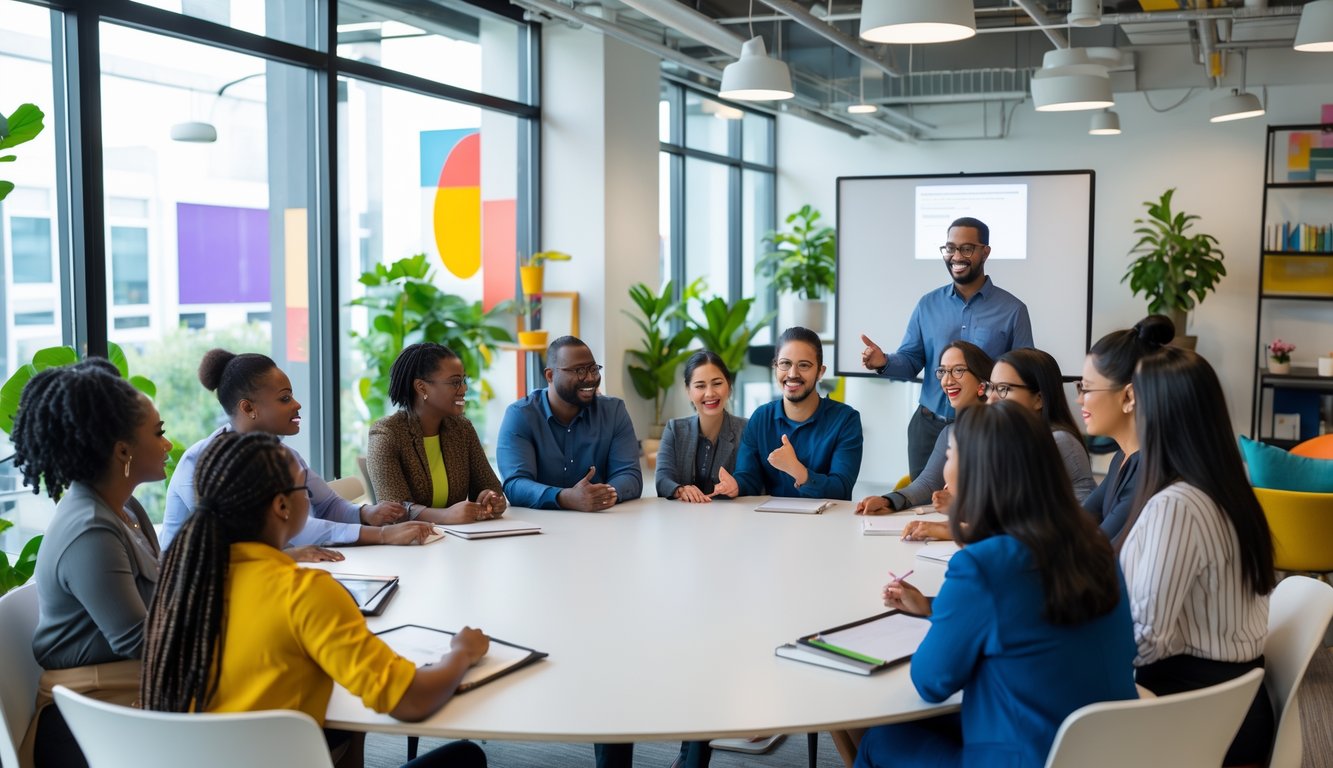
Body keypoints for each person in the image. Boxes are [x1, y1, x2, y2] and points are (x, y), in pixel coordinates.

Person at [141, 431, 489, 768]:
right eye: (302, 488)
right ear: (281, 506)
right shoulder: (303, 592)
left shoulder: (181, 585)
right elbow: (410, 700)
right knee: (467, 756)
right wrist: (462, 652)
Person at [857, 402, 1137, 768]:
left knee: (881, 738)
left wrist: (941, 620)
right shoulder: (1092, 544)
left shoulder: (982, 565)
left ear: (977, 470)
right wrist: (935, 607)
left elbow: (931, 681)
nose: (944, 465)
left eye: (951, 453)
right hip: (1102, 750)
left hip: (1026, 755)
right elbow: (1030, 615)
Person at [1119, 346, 1276, 766]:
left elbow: (1146, 639)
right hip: (1235, 707)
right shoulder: (1231, 489)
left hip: (1191, 717)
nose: (1130, 409)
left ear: (1161, 416)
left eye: (1136, 400)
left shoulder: (1177, 506)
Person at [11, 359, 172, 768]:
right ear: (123, 451)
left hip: (129, 688)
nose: (168, 444)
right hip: (92, 717)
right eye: (159, 433)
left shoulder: (125, 509)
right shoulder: (91, 531)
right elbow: (140, 640)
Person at [162, 349, 433, 554]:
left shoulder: (283, 454)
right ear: (248, 408)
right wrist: (383, 535)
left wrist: (366, 515)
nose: (297, 404)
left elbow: (326, 504)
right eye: (284, 398)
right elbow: (287, 526)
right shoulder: (201, 463)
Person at [859, 217, 1033, 478]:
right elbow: (910, 361)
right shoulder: (927, 305)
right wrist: (883, 362)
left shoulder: (1013, 310)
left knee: (977, 505)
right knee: (922, 504)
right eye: (950, 248)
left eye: (966, 248)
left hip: (985, 430)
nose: (956, 256)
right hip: (928, 428)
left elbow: (1024, 376)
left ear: (985, 252)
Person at [497, 335, 642, 511]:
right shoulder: (520, 415)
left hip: (600, 523)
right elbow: (515, 484)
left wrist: (600, 496)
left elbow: (629, 475)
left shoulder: (613, 411)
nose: (590, 378)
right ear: (550, 375)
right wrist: (564, 498)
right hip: (540, 526)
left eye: (593, 369)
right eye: (579, 371)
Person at [367, 342, 507, 524]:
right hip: (409, 547)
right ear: (422, 387)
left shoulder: (461, 429)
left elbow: (489, 485)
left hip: (456, 542)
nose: (464, 389)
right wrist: (445, 516)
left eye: (464, 380)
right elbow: (394, 510)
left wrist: (489, 498)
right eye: (455, 382)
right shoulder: (386, 434)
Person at [854, 341, 993, 518]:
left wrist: (959, 504)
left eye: (958, 370)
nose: (947, 380)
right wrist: (888, 501)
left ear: (982, 385)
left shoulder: (1002, 432)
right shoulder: (950, 433)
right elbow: (928, 484)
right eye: (943, 371)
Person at [721, 327, 862, 500]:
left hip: (826, 522)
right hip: (773, 521)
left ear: (820, 372)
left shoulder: (846, 419)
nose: (793, 374)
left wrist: (797, 470)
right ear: (775, 367)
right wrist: (735, 486)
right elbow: (748, 479)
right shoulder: (761, 418)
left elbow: (841, 489)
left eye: (804, 365)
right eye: (785, 364)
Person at [1077, 316, 1174, 541]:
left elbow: (1097, 549)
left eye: (1087, 388)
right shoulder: (1123, 456)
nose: (1080, 400)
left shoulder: (1148, 468)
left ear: (1129, 396)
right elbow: (1082, 519)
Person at [988, 347, 1096, 501]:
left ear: (1039, 399)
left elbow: (1011, 510)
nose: (991, 399)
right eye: (991, 388)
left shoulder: (1057, 441)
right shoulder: (1011, 438)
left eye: (1003, 389)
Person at [655, 350, 747, 503]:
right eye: (700, 386)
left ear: (729, 387)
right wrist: (680, 490)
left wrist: (738, 486)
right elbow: (663, 479)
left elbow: (754, 480)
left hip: (732, 520)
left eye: (717, 383)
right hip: (684, 520)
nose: (710, 393)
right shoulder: (674, 429)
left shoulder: (746, 429)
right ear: (688, 391)